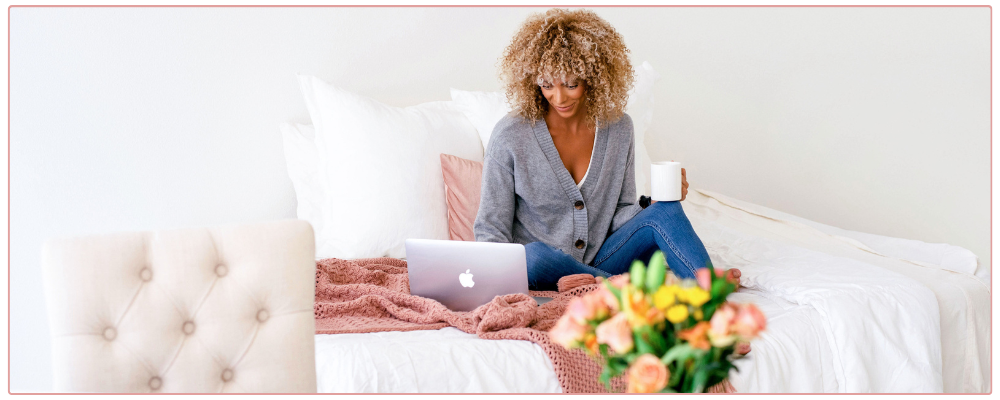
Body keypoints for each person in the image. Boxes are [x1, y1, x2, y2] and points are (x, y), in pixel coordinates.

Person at [473, 8, 742, 292]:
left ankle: (705, 287)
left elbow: (620, 213)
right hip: (545, 266)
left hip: (607, 259)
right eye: (546, 85)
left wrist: (654, 203)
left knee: (666, 211)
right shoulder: (511, 135)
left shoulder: (619, 128)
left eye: (571, 84)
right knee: (533, 255)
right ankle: (631, 286)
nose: (558, 97)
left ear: (592, 75)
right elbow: (491, 230)